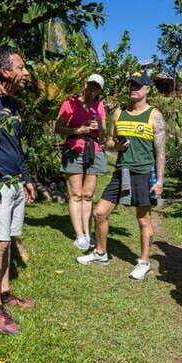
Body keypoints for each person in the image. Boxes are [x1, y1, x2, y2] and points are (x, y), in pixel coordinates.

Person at [76, 71, 167, 280]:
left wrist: (160, 181)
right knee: (99, 213)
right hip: (121, 171)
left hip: (143, 172)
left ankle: (143, 262)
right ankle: (101, 253)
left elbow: (161, 152)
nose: (133, 89)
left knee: (143, 219)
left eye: (138, 85)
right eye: (131, 85)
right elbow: (108, 142)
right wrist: (115, 145)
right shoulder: (119, 113)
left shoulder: (154, 115)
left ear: (147, 89)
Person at [0, 46, 37, 335]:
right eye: (21, 67)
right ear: (5, 72)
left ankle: (6, 291)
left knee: (9, 240)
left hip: (14, 181)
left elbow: (17, 146)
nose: (26, 73)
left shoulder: (13, 105)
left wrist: (26, 178)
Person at [55, 74, 108, 251]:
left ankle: (88, 232)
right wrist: (79, 130)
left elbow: (103, 134)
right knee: (76, 194)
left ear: (100, 90)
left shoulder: (99, 106)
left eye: (97, 87)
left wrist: (97, 127)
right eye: (91, 85)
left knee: (88, 194)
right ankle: (79, 235)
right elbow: (58, 128)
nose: (93, 89)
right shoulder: (70, 102)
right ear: (85, 84)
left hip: (93, 150)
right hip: (73, 149)